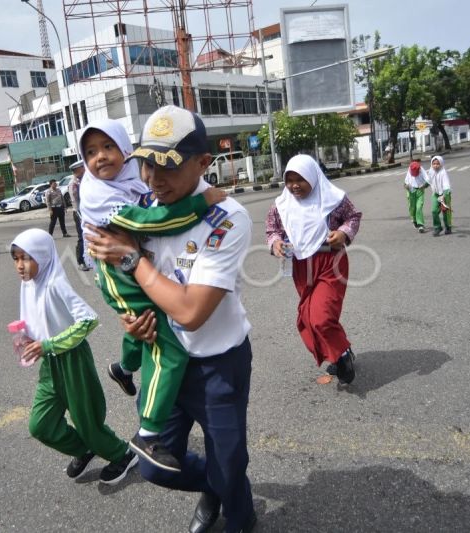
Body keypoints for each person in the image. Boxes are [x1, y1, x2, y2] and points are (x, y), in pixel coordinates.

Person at [86, 105, 256, 533]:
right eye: (145, 163)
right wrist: (133, 319)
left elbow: (190, 311)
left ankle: (237, 510)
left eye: (168, 166)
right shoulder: (142, 206)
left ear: (203, 163)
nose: (153, 178)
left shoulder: (226, 216)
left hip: (219, 364)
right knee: (154, 465)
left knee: (230, 459)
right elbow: (125, 283)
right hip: (164, 357)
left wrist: (130, 259)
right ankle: (217, 485)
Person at [78, 117, 226, 474]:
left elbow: (149, 210)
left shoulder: (131, 181)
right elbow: (153, 222)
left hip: (134, 270)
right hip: (118, 273)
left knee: (142, 327)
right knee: (167, 347)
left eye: (108, 147)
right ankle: (148, 433)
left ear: (126, 151)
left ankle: (123, 367)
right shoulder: (98, 194)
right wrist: (203, 201)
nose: (100, 157)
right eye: (90, 152)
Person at [10, 228, 138, 485]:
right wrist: (28, 338)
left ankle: (122, 454)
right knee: (40, 425)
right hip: (51, 365)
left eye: (26, 258)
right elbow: (40, 320)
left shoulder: (55, 283)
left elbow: (89, 320)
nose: (20, 266)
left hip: (73, 361)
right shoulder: (29, 286)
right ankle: (84, 449)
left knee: (86, 420)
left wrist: (49, 343)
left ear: (43, 257)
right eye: (16, 259)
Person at [266, 154, 362, 383]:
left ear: (313, 177)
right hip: (300, 266)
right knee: (308, 317)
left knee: (321, 316)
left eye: (300, 179)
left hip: (331, 263)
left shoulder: (334, 199)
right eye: (289, 180)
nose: (294, 186)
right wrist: (275, 243)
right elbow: (272, 230)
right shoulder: (281, 205)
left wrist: (343, 233)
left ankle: (342, 353)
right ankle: (338, 354)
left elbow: (353, 217)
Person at [67, 160, 90, 270]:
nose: (84, 169)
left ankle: (89, 258)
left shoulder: (85, 180)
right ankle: (80, 261)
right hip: (79, 213)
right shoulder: (74, 184)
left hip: (88, 211)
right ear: (77, 170)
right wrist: (80, 215)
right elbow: (75, 201)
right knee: (82, 237)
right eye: (82, 168)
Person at [427, 155, 453, 236]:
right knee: (434, 211)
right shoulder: (431, 171)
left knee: (445, 212)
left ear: (441, 164)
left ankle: (448, 227)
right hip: (436, 194)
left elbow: (446, 185)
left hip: (445, 194)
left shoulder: (443, 172)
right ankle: (437, 227)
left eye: (437, 163)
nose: (435, 165)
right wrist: (421, 186)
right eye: (434, 163)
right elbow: (428, 181)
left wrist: (444, 195)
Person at [404, 160, 429, 233]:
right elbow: (405, 183)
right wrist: (406, 186)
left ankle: (420, 224)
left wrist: (424, 186)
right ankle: (414, 219)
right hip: (411, 191)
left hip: (420, 191)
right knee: (412, 208)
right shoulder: (409, 170)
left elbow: (428, 181)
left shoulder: (421, 170)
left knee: (419, 207)